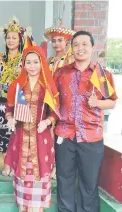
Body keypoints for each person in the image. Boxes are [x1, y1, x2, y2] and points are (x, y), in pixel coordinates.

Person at [54, 30, 118, 212]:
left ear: (92, 48)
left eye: (84, 44)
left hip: (91, 135)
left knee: (89, 178)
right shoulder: (61, 73)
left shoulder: (102, 74)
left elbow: (113, 101)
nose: (80, 48)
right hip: (65, 132)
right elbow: (52, 102)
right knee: (65, 176)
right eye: (76, 45)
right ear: (71, 48)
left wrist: (97, 102)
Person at [4, 46, 59, 212]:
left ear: (42, 62)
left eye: (36, 61)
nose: (32, 65)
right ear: (23, 64)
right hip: (20, 137)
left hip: (41, 139)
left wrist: (48, 121)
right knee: (22, 176)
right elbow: (9, 109)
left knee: (39, 177)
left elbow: (55, 113)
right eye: (28, 62)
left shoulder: (48, 86)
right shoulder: (16, 85)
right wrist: (10, 119)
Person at [0, 16, 24, 175]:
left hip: (18, 102)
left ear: (20, 39)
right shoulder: (0, 57)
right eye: (8, 37)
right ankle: (6, 165)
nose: (10, 40)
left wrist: (21, 74)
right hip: (2, 101)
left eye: (14, 37)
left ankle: (16, 165)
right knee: (3, 137)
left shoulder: (24, 58)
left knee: (16, 135)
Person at [44, 21, 76, 180]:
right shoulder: (49, 60)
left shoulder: (71, 60)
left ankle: (59, 167)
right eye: (54, 40)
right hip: (49, 101)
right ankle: (49, 165)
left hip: (64, 103)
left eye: (60, 40)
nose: (56, 44)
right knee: (49, 134)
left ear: (66, 42)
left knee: (60, 136)